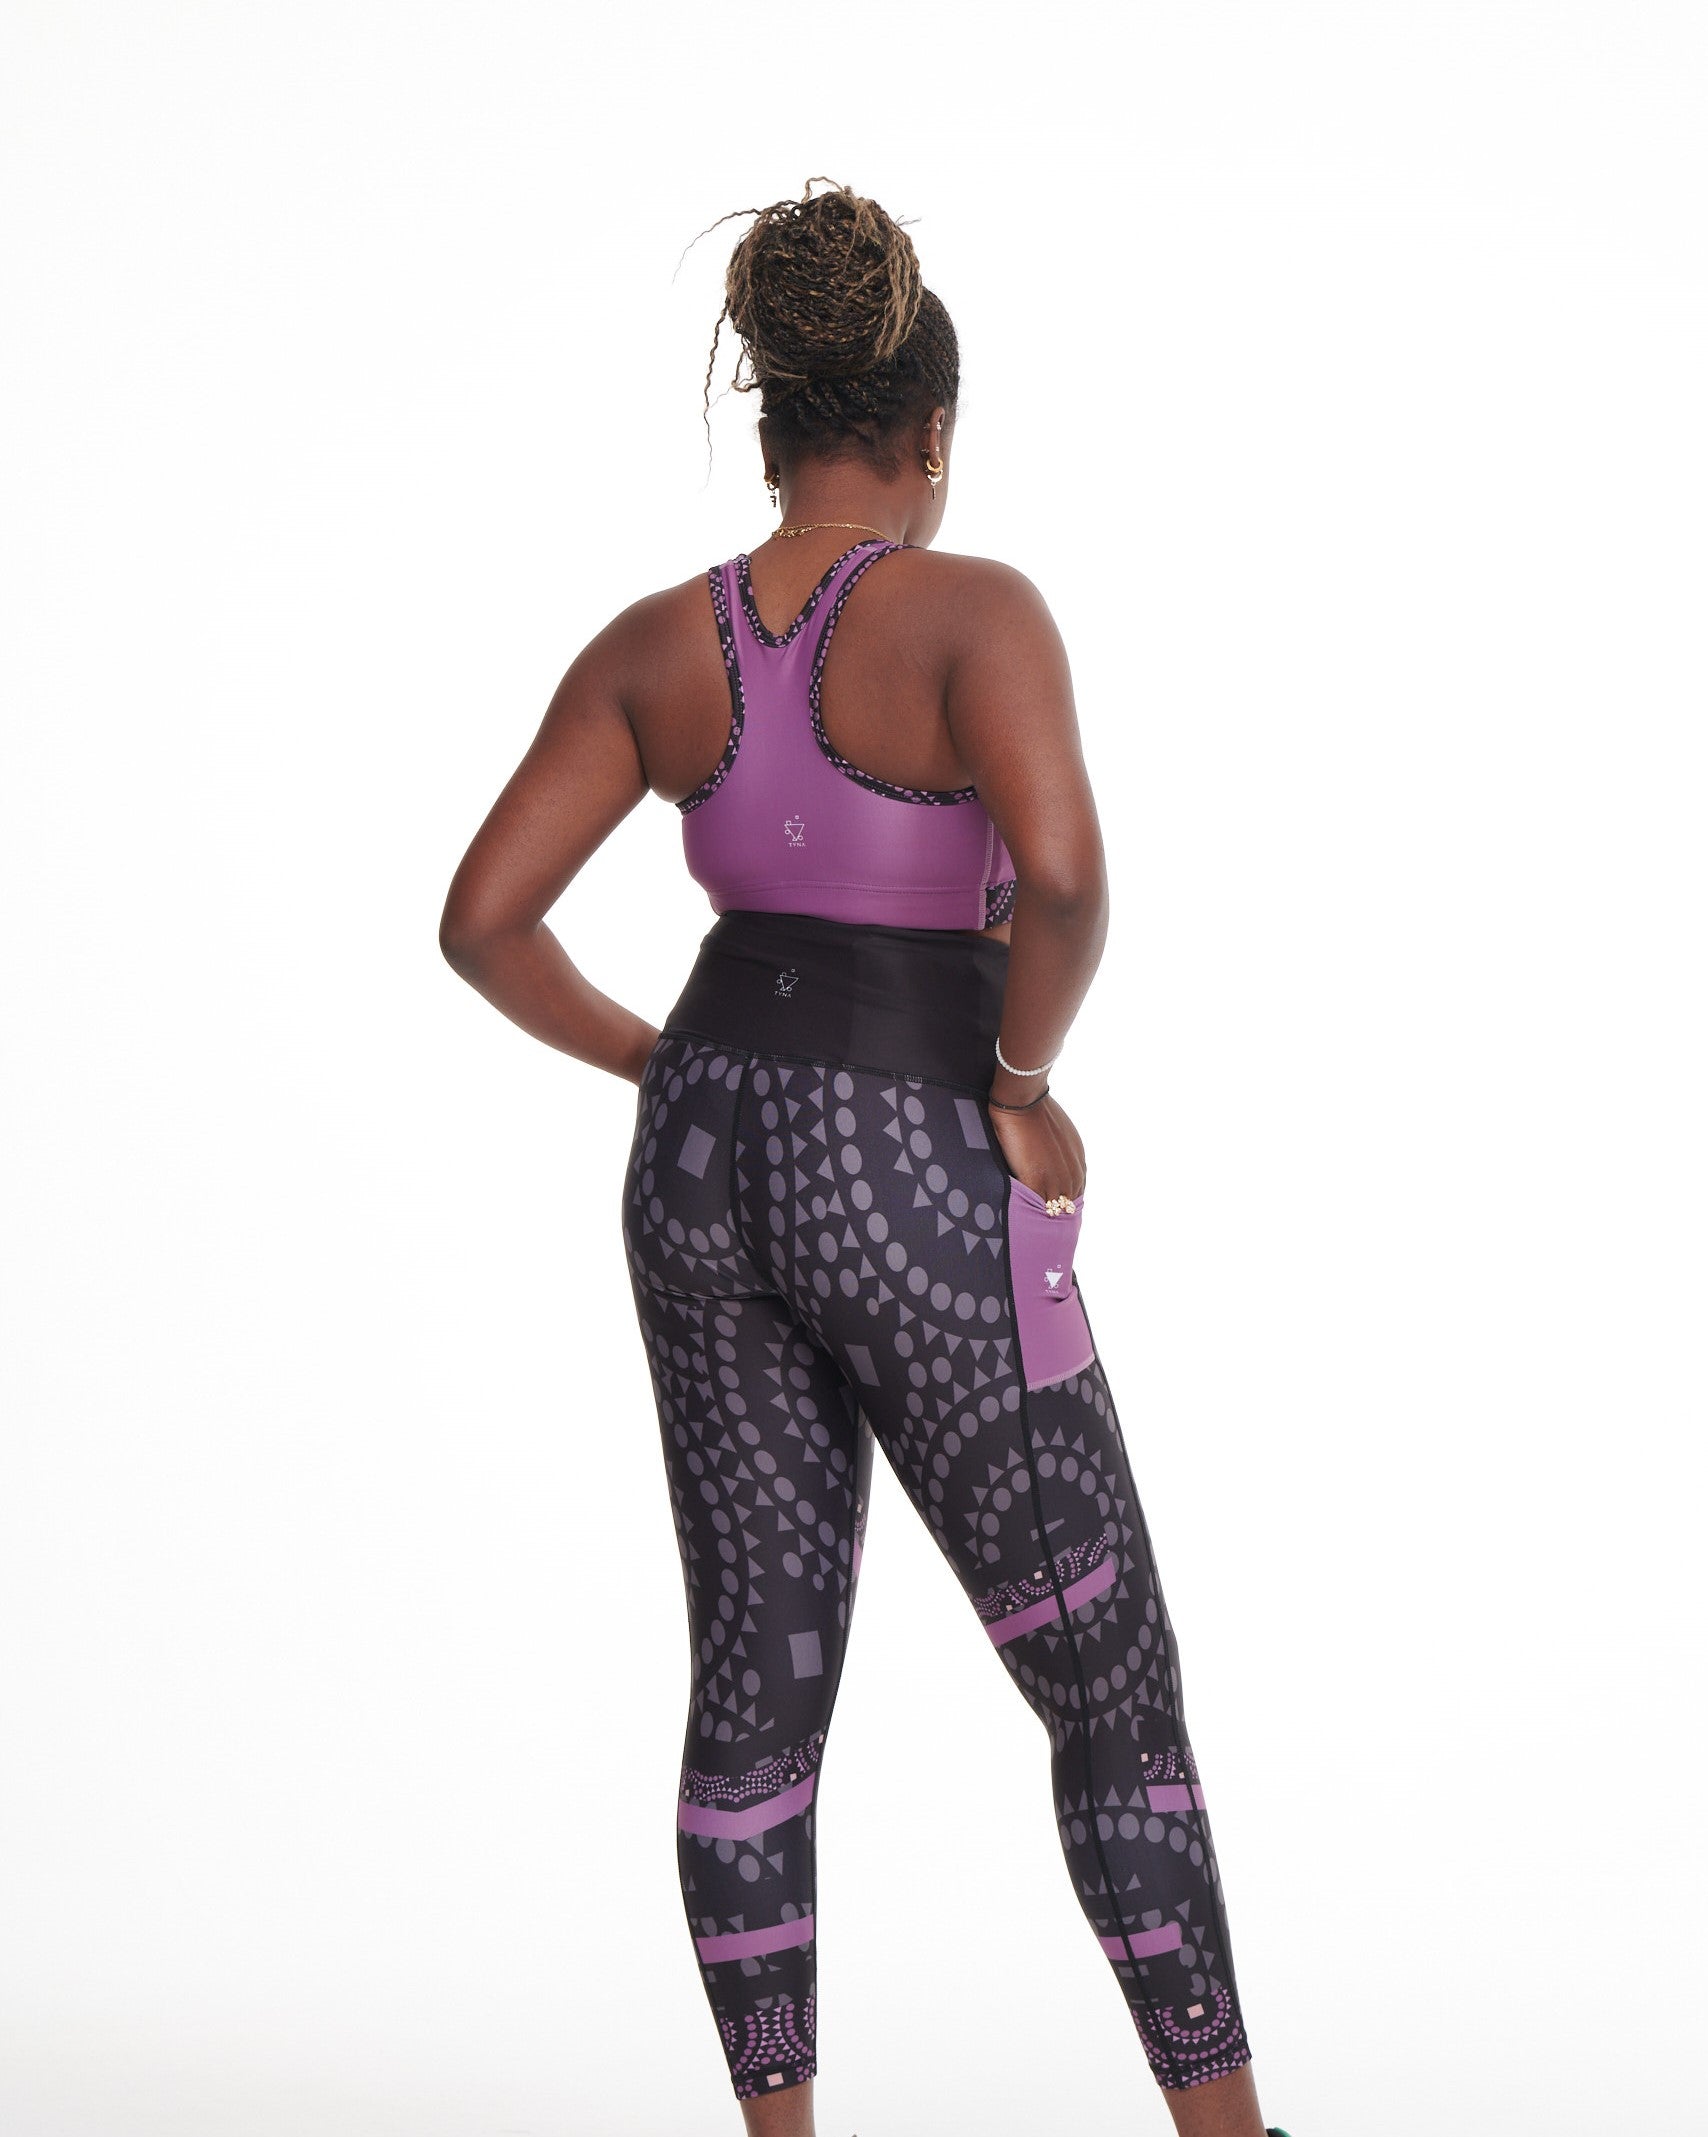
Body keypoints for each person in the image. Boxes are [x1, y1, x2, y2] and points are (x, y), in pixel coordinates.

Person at [439, 177, 1287, 2137]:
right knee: (1106, 1688)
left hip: (701, 1158)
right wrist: (1020, 1079)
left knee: (756, 1684)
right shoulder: (974, 611)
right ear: (932, 432)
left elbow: (483, 920)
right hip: (906, 1152)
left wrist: (660, 1060)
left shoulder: (656, 646)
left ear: (774, 425)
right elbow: (1063, 878)